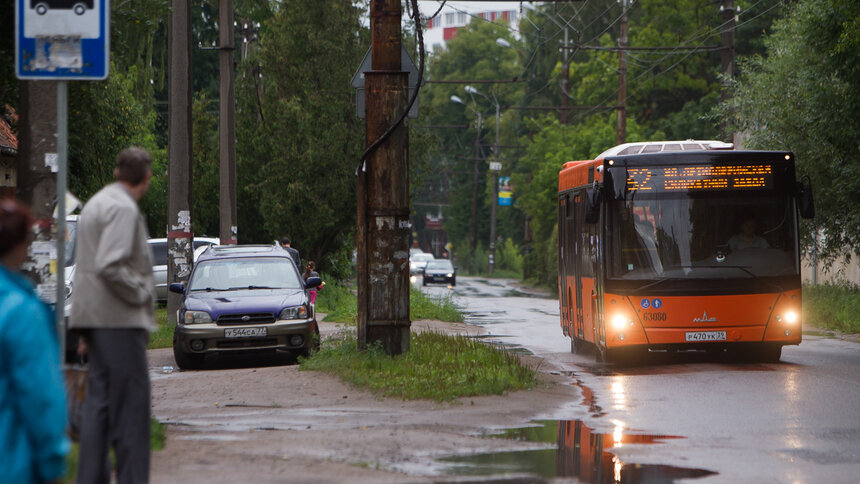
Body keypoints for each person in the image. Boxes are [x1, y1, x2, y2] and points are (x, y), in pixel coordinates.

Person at [70, 147, 156, 484]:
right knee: (131, 413)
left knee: (99, 409)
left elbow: (88, 266)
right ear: (145, 177)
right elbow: (110, 264)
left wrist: (84, 327)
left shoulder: (96, 203)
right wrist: (142, 292)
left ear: (118, 172)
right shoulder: (123, 209)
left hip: (95, 321)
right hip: (119, 322)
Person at [0, 199, 70, 483]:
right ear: (22, 245)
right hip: (13, 463)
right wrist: (53, 458)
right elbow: (41, 395)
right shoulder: (21, 311)